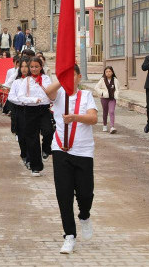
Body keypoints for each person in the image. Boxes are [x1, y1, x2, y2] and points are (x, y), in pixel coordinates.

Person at [42, 64, 98, 254]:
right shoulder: (59, 95)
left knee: (85, 193)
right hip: (61, 150)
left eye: (72, 76)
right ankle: (69, 235)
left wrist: (74, 117)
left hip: (83, 151)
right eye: (66, 76)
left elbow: (93, 119)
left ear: (79, 77)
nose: (69, 80)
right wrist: (61, 78)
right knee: (63, 194)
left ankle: (84, 216)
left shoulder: (86, 96)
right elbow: (48, 91)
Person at [8, 57, 51, 175]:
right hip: (30, 110)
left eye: (36, 66)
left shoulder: (46, 79)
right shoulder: (26, 81)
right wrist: (33, 100)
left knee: (48, 131)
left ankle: (46, 150)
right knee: (32, 139)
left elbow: (51, 92)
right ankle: (35, 167)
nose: (34, 69)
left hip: (44, 109)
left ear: (41, 67)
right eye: (32, 67)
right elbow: (21, 97)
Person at [93, 66, 120, 134]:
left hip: (112, 98)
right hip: (104, 98)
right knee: (105, 112)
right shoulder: (102, 80)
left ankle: (112, 127)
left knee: (111, 111)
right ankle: (104, 125)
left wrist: (116, 94)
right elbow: (96, 87)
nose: (108, 73)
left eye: (109, 71)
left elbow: (118, 88)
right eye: (106, 72)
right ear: (105, 73)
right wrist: (102, 93)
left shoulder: (115, 80)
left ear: (112, 72)